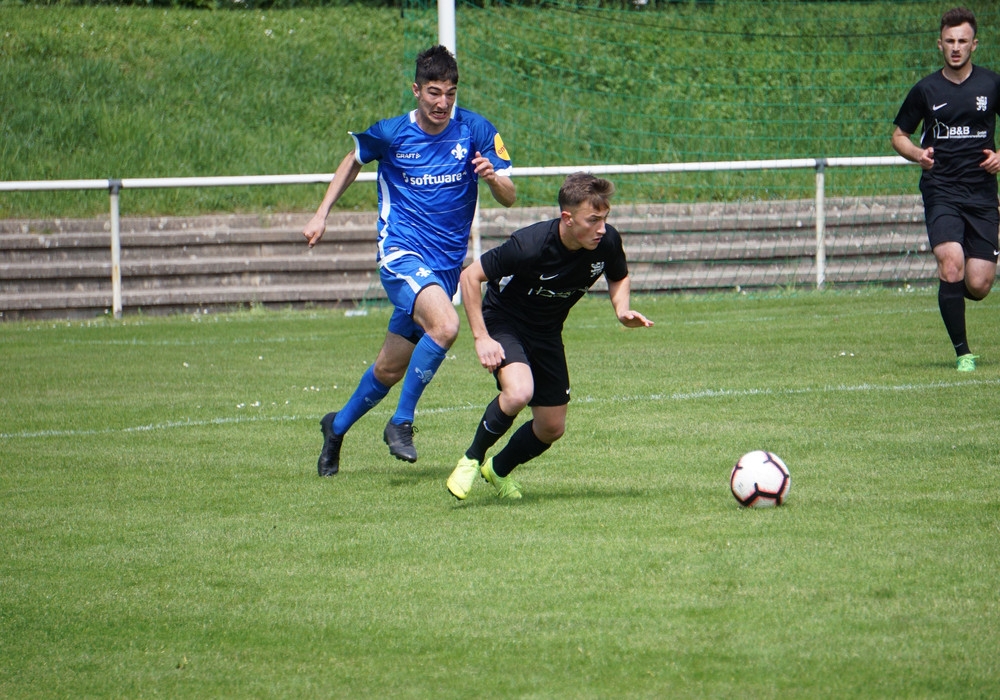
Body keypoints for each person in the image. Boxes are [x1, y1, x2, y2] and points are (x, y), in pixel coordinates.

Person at [305, 45, 516, 476]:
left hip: (443, 269)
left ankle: (335, 428)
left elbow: (510, 197)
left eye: (450, 93)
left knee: (389, 368)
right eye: (434, 93)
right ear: (416, 90)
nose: (442, 102)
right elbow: (352, 160)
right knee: (447, 326)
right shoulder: (392, 132)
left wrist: (493, 178)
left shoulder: (475, 130)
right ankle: (401, 422)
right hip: (400, 253)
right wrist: (321, 213)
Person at [446, 173, 653, 501]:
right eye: (593, 220)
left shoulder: (606, 242)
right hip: (504, 322)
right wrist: (481, 338)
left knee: (552, 427)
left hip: (547, 331)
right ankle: (471, 459)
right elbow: (470, 277)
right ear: (567, 218)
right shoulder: (529, 245)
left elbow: (619, 275)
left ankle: (497, 470)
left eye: (605, 218)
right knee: (519, 392)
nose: (602, 228)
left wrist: (621, 309)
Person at [891, 6, 1000, 372]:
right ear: (940, 44)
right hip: (942, 190)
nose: (956, 47)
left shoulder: (991, 84)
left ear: (974, 44)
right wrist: (918, 154)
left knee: (979, 284)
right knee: (951, 263)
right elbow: (899, 136)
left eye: (962, 41)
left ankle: (952, 287)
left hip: (982, 194)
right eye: (949, 41)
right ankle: (963, 353)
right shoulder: (926, 89)